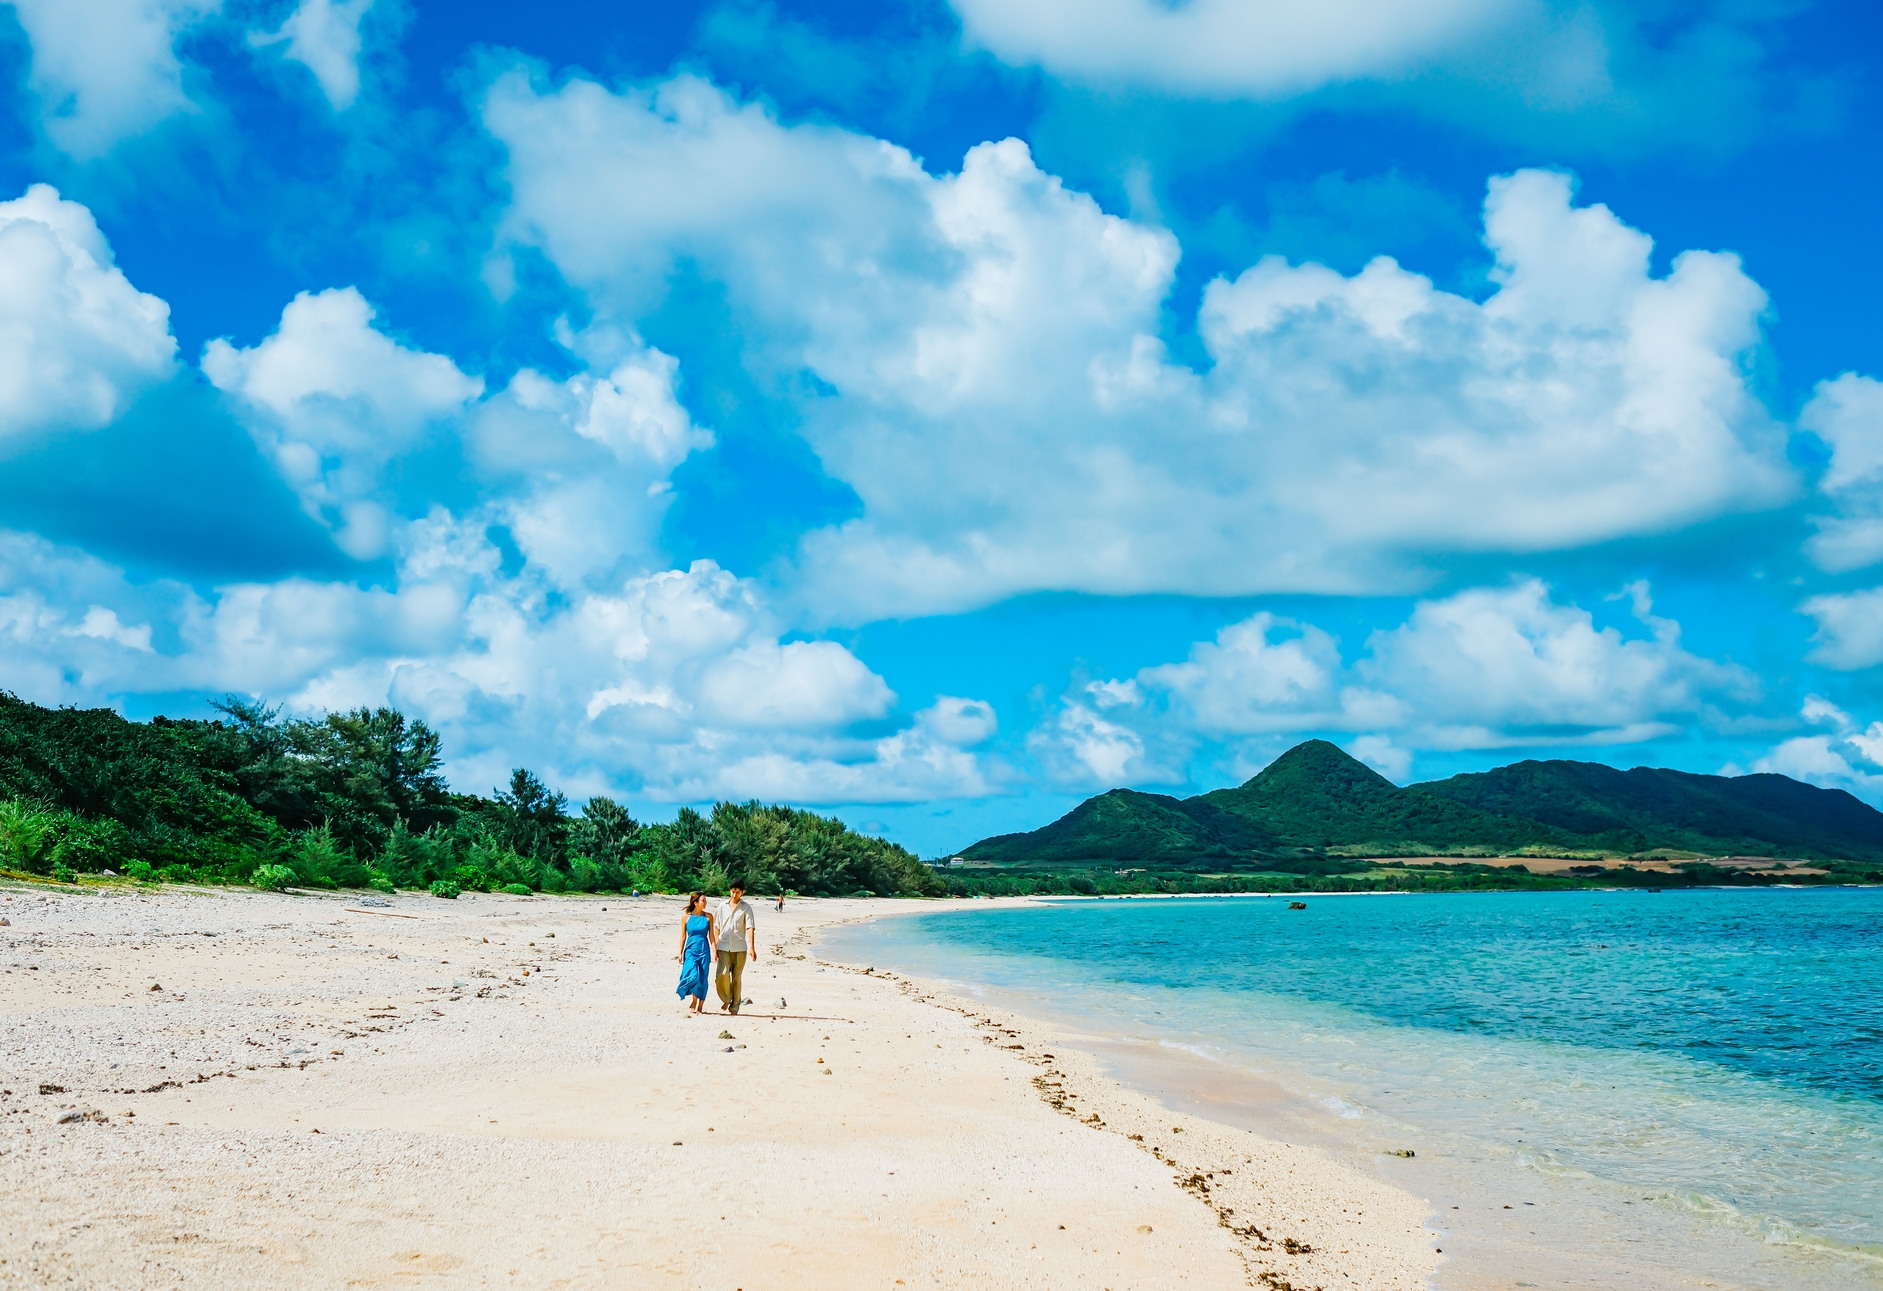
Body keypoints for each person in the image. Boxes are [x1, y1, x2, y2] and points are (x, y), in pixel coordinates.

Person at [714, 880, 758, 1015]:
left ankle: (735, 1006)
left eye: (738, 892)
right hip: (723, 945)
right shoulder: (722, 906)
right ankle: (726, 998)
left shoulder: (746, 907)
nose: (734, 894)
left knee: (736, 977)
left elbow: (750, 926)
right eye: (733, 891)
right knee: (722, 974)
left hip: (740, 947)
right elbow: (716, 927)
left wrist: (752, 947)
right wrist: (715, 947)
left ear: (742, 892)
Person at [674, 892, 716, 1014]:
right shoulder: (686, 917)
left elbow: (712, 937)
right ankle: (693, 999)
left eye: (705, 900)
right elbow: (682, 937)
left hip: (704, 950)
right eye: (703, 900)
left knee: (703, 977)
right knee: (693, 974)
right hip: (690, 949)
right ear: (696, 902)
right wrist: (680, 953)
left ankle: (700, 1004)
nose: (706, 902)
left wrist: (715, 951)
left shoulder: (708, 917)